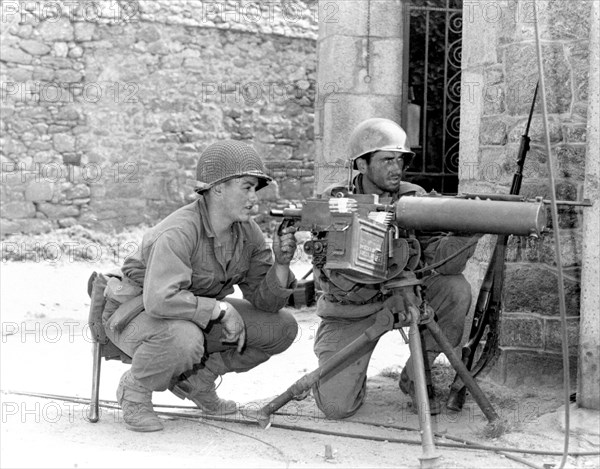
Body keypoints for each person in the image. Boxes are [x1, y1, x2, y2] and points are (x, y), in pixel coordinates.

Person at [102, 140, 299, 432]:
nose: (254, 197)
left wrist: (281, 264)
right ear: (217, 188)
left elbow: (266, 303)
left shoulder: (247, 233)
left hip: (191, 311)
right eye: (246, 186)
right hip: (137, 312)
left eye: (254, 188)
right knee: (185, 338)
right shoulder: (179, 232)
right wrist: (219, 309)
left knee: (281, 327)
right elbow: (160, 300)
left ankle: (198, 382)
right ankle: (135, 390)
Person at [312, 118, 479, 419]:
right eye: (387, 160)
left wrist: (469, 228)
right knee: (336, 407)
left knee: (455, 289)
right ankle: (350, 373)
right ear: (361, 165)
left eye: (400, 160)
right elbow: (327, 271)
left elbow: (446, 262)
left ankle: (418, 372)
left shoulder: (413, 199)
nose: (396, 168)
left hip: (404, 297)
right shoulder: (335, 201)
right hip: (353, 309)